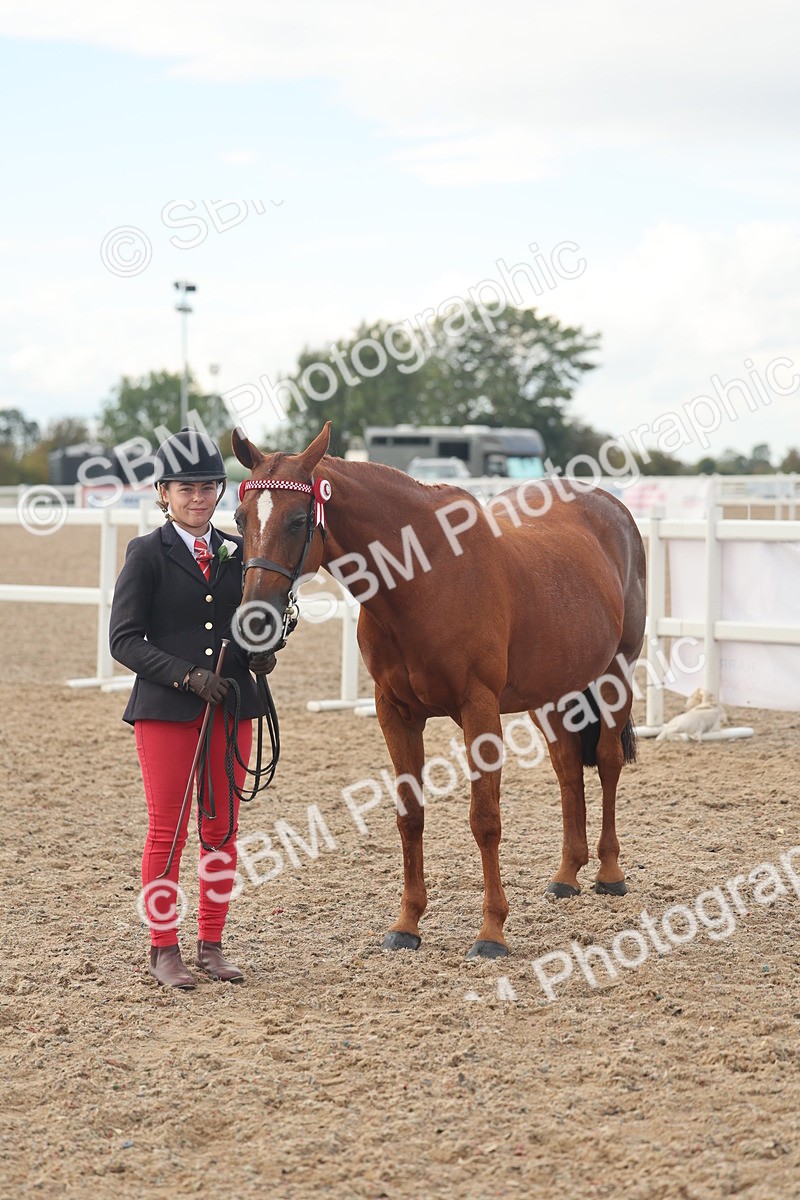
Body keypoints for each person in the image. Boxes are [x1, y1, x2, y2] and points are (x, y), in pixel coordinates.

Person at [109, 428, 273, 990]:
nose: (197, 497)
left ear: (221, 491)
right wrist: (186, 675)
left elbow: (251, 620)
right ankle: (163, 948)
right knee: (168, 830)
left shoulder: (241, 550)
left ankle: (212, 942)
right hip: (166, 710)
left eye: (207, 487)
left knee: (222, 828)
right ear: (163, 493)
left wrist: (264, 648)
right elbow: (124, 640)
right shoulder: (146, 554)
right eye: (185, 488)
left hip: (231, 706)